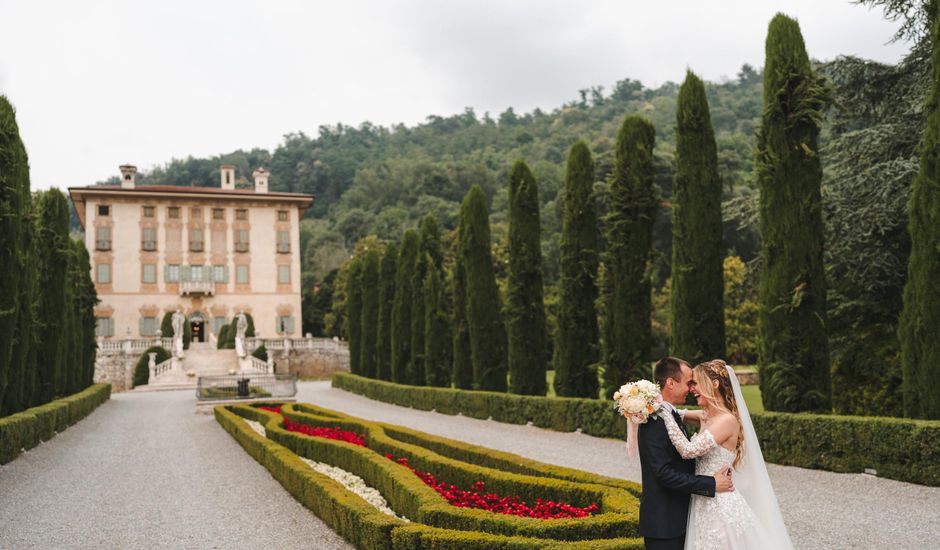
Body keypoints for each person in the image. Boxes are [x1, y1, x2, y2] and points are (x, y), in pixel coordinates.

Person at [661, 359, 793, 550]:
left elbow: (688, 450)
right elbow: (679, 413)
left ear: (714, 384)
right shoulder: (707, 416)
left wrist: (662, 412)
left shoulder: (727, 421)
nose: (691, 389)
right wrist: (655, 404)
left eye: (695, 383)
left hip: (720, 505)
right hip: (704, 499)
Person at [638, 357, 735, 550]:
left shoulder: (670, 414)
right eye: (689, 382)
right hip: (664, 524)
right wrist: (711, 483)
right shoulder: (655, 419)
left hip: (689, 515)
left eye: (695, 383)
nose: (691, 389)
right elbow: (664, 474)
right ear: (671, 383)